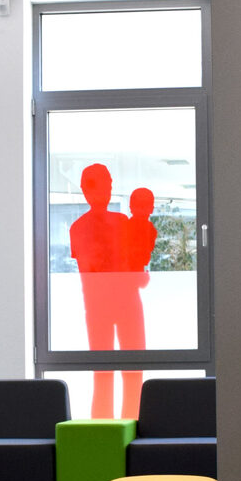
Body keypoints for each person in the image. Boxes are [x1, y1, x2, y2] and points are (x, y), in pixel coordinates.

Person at [68, 164, 151, 419]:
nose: (108, 189)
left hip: (101, 307)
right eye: (106, 184)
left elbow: (91, 272)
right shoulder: (119, 223)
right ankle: (130, 426)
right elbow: (131, 269)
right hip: (119, 304)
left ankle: (109, 427)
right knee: (125, 374)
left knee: (109, 375)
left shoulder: (80, 227)